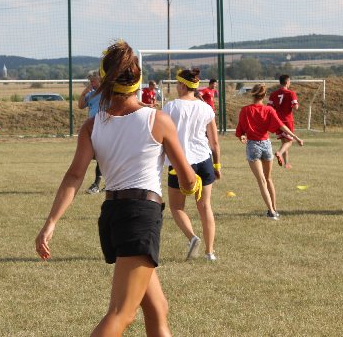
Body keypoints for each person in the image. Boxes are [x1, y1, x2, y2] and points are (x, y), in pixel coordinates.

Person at [35, 40, 198, 337]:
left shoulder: (92, 126)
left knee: (158, 307)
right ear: (138, 79)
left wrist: (51, 223)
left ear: (105, 80)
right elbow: (187, 179)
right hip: (141, 215)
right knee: (121, 313)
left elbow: (74, 177)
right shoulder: (157, 119)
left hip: (113, 214)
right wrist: (194, 184)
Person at [162, 68, 221, 262]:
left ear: (181, 85)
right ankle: (210, 252)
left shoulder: (170, 107)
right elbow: (214, 142)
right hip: (204, 161)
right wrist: (217, 165)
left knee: (177, 207)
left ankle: (192, 237)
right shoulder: (206, 108)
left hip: (179, 163)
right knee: (205, 206)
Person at [235, 84, 304, 220]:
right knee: (268, 179)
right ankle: (274, 209)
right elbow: (281, 126)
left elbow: (240, 131)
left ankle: (271, 212)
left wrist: (241, 136)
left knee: (261, 180)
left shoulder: (245, 110)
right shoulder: (269, 110)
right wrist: (295, 137)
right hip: (266, 145)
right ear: (264, 95)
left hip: (253, 146)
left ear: (252, 94)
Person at [78, 71, 104, 194]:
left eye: (93, 80)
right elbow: (81, 105)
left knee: (102, 156)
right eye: (90, 80)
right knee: (99, 156)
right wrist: (84, 93)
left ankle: (96, 185)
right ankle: (101, 184)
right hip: (92, 128)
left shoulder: (108, 93)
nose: (91, 82)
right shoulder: (91, 94)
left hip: (105, 127)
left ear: (100, 80)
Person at [267, 75, 299, 169]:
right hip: (287, 120)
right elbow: (296, 107)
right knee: (289, 142)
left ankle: (286, 164)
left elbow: (269, 108)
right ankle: (279, 153)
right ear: (287, 82)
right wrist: (295, 104)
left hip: (277, 120)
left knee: (284, 142)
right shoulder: (291, 93)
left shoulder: (273, 94)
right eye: (290, 81)